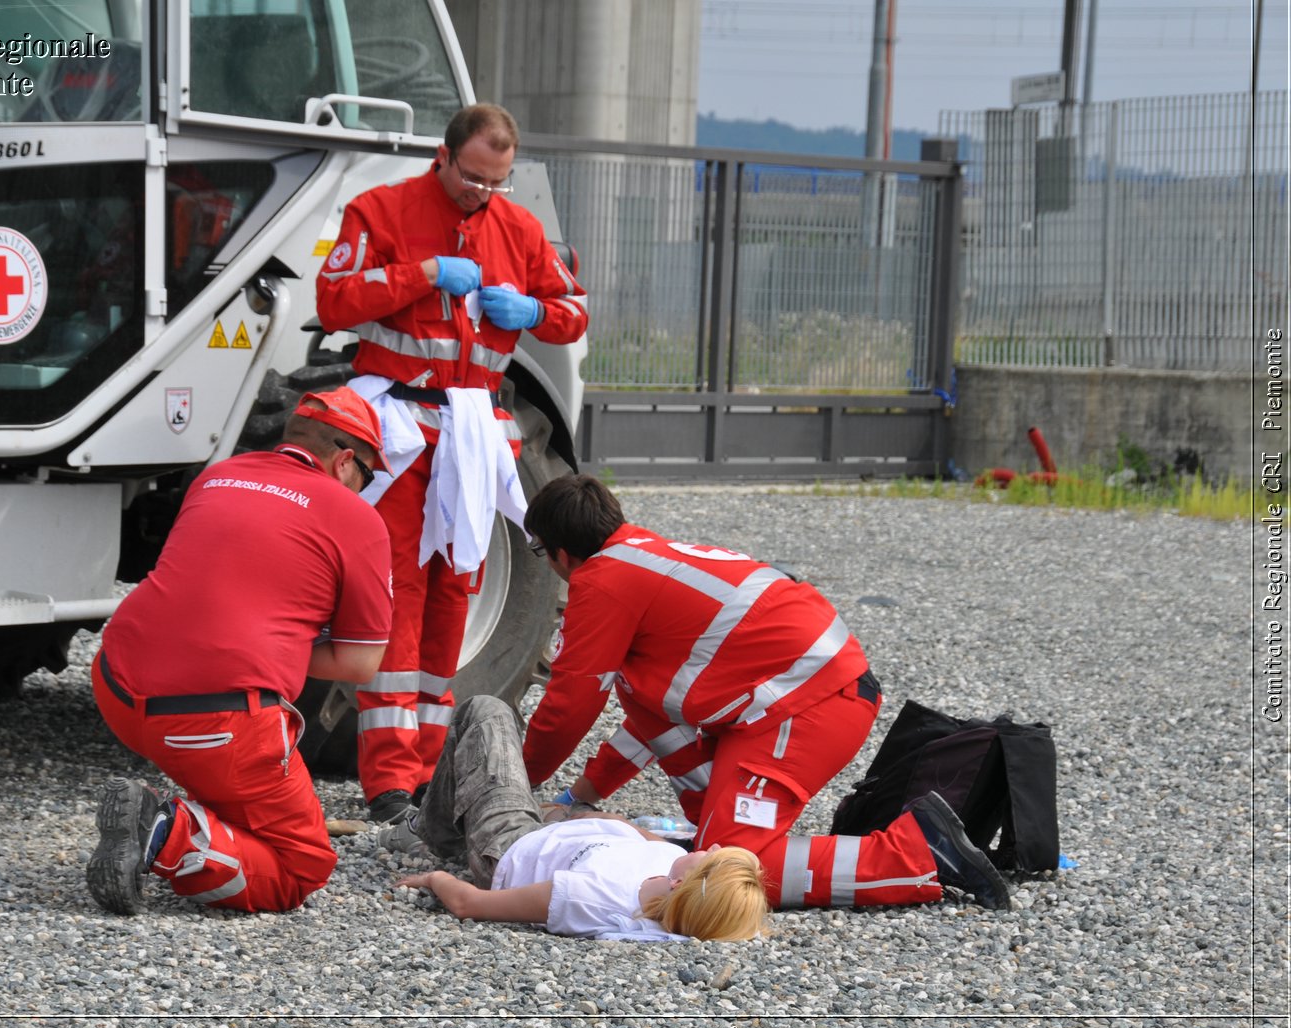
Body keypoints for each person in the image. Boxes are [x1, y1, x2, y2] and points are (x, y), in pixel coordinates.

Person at [517, 474, 1012, 912]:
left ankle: (921, 853)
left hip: (807, 705)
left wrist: (518, 786)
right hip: (804, 697)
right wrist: (579, 798)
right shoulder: (643, 560)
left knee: (719, 879)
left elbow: (570, 703)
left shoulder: (602, 582)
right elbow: (648, 723)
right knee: (700, 843)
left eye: (541, 553)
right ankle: (718, 827)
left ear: (560, 553)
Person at [315, 102, 589, 824]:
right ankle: (387, 782)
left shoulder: (518, 228)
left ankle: (432, 773)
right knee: (395, 595)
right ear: (443, 155)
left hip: (469, 427)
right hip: (400, 428)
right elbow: (336, 300)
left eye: (496, 183)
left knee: (453, 595)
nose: (482, 195)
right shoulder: (381, 209)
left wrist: (530, 310)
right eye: (472, 178)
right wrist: (424, 272)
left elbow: (572, 312)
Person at [86, 388, 393, 915]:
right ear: (345, 461)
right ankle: (162, 830)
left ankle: (195, 818)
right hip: (212, 723)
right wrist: (284, 644)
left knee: (230, 784)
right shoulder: (355, 518)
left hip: (115, 681)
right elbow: (362, 662)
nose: (364, 489)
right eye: (367, 476)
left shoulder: (217, 474)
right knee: (301, 866)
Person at [384, 695, 769, 942]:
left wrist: (435, 878)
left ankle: (433, 832)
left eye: (713, 855)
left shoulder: (589, 897)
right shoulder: (677, 877)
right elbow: (743, 877)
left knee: (488, 712)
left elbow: (471, 905)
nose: (714, 845)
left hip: (509, 844)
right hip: (560, 832)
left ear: (683, 882)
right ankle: (458, 819)